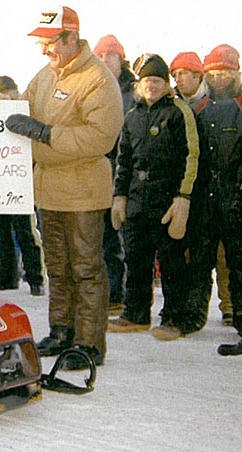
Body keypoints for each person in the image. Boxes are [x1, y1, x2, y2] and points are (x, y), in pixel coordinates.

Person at [0, 5, 124, 368]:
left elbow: (101, 137)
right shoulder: (45, 76)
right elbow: (26, 105)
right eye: (42, 43)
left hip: (82, 191)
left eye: (51, 42)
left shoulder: (97, 79)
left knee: (85, 267)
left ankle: (89, 342)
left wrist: (47, 134)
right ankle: (62, 328)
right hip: (49, 189)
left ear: (72, 38)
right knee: (58, 266)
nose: (45, 50)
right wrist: (2, 104)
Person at [107, 54, 203, 341]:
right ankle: (135, 313)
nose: (152, 86)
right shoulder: (132, 117)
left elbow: (192, 156)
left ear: (166, 84)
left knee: (172, 262)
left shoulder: (178, 112)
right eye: (148, 81)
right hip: (137, 200)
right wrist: (119, 197)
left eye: (158, 81)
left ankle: (174, 318)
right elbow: (123, 160)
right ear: (140, 84)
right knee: (135, 259)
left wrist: (183, 198)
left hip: (167, 200)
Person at [189, 44, 242, 355]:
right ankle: (192, 316)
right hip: (209, 199)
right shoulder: (201, 110)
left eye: (224, 72)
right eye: (213, 73)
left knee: (238, 265)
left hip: (236, 195)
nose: (219, 78)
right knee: (201, 261)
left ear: (236, 73)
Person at [0, 76, 45, 295]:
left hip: (18, 180)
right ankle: (11, 276)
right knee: (2, 232)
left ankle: (32, 277)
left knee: (23, 232)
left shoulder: (26, 111)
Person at [92, 34, 135, 316]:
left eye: (111, 55)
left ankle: (123, 296)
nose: (106, 60)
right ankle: (112, 293)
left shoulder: (133, 92)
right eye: (102, 56)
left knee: (125, 237)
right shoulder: (93, 87)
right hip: (99, 172)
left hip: (126, 172)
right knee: (104, 236)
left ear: (121, 59)